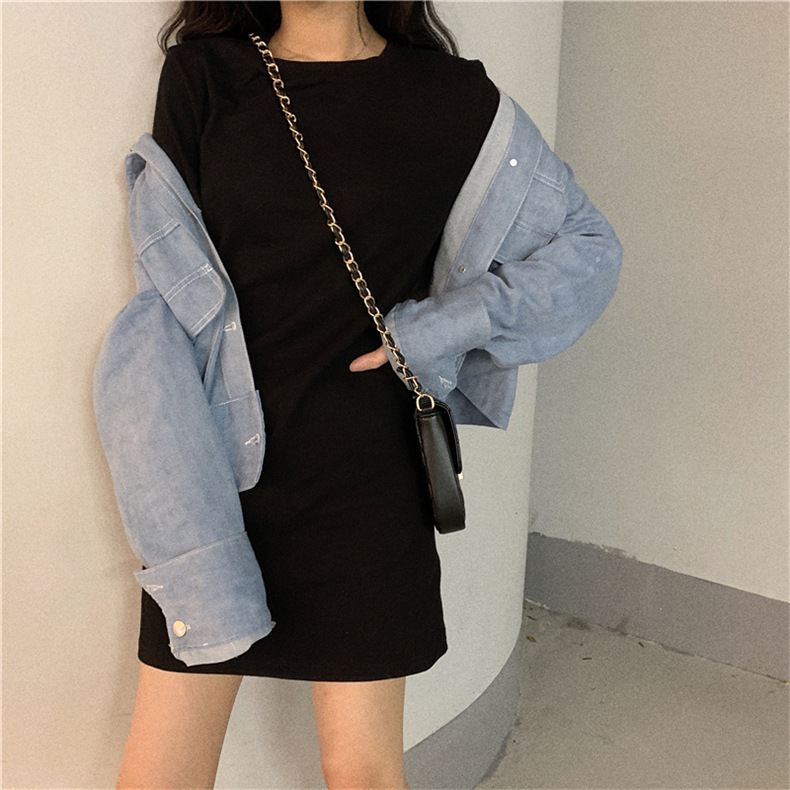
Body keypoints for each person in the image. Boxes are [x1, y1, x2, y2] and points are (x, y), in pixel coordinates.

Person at [93, 1, 622, 787]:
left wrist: (435, 329)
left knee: (364, 772)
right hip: (213, 479)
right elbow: (169, 295)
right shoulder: (207, 76)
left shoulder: (449, 94)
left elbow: (588, 249)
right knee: (162, 771)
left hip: (367, 484)